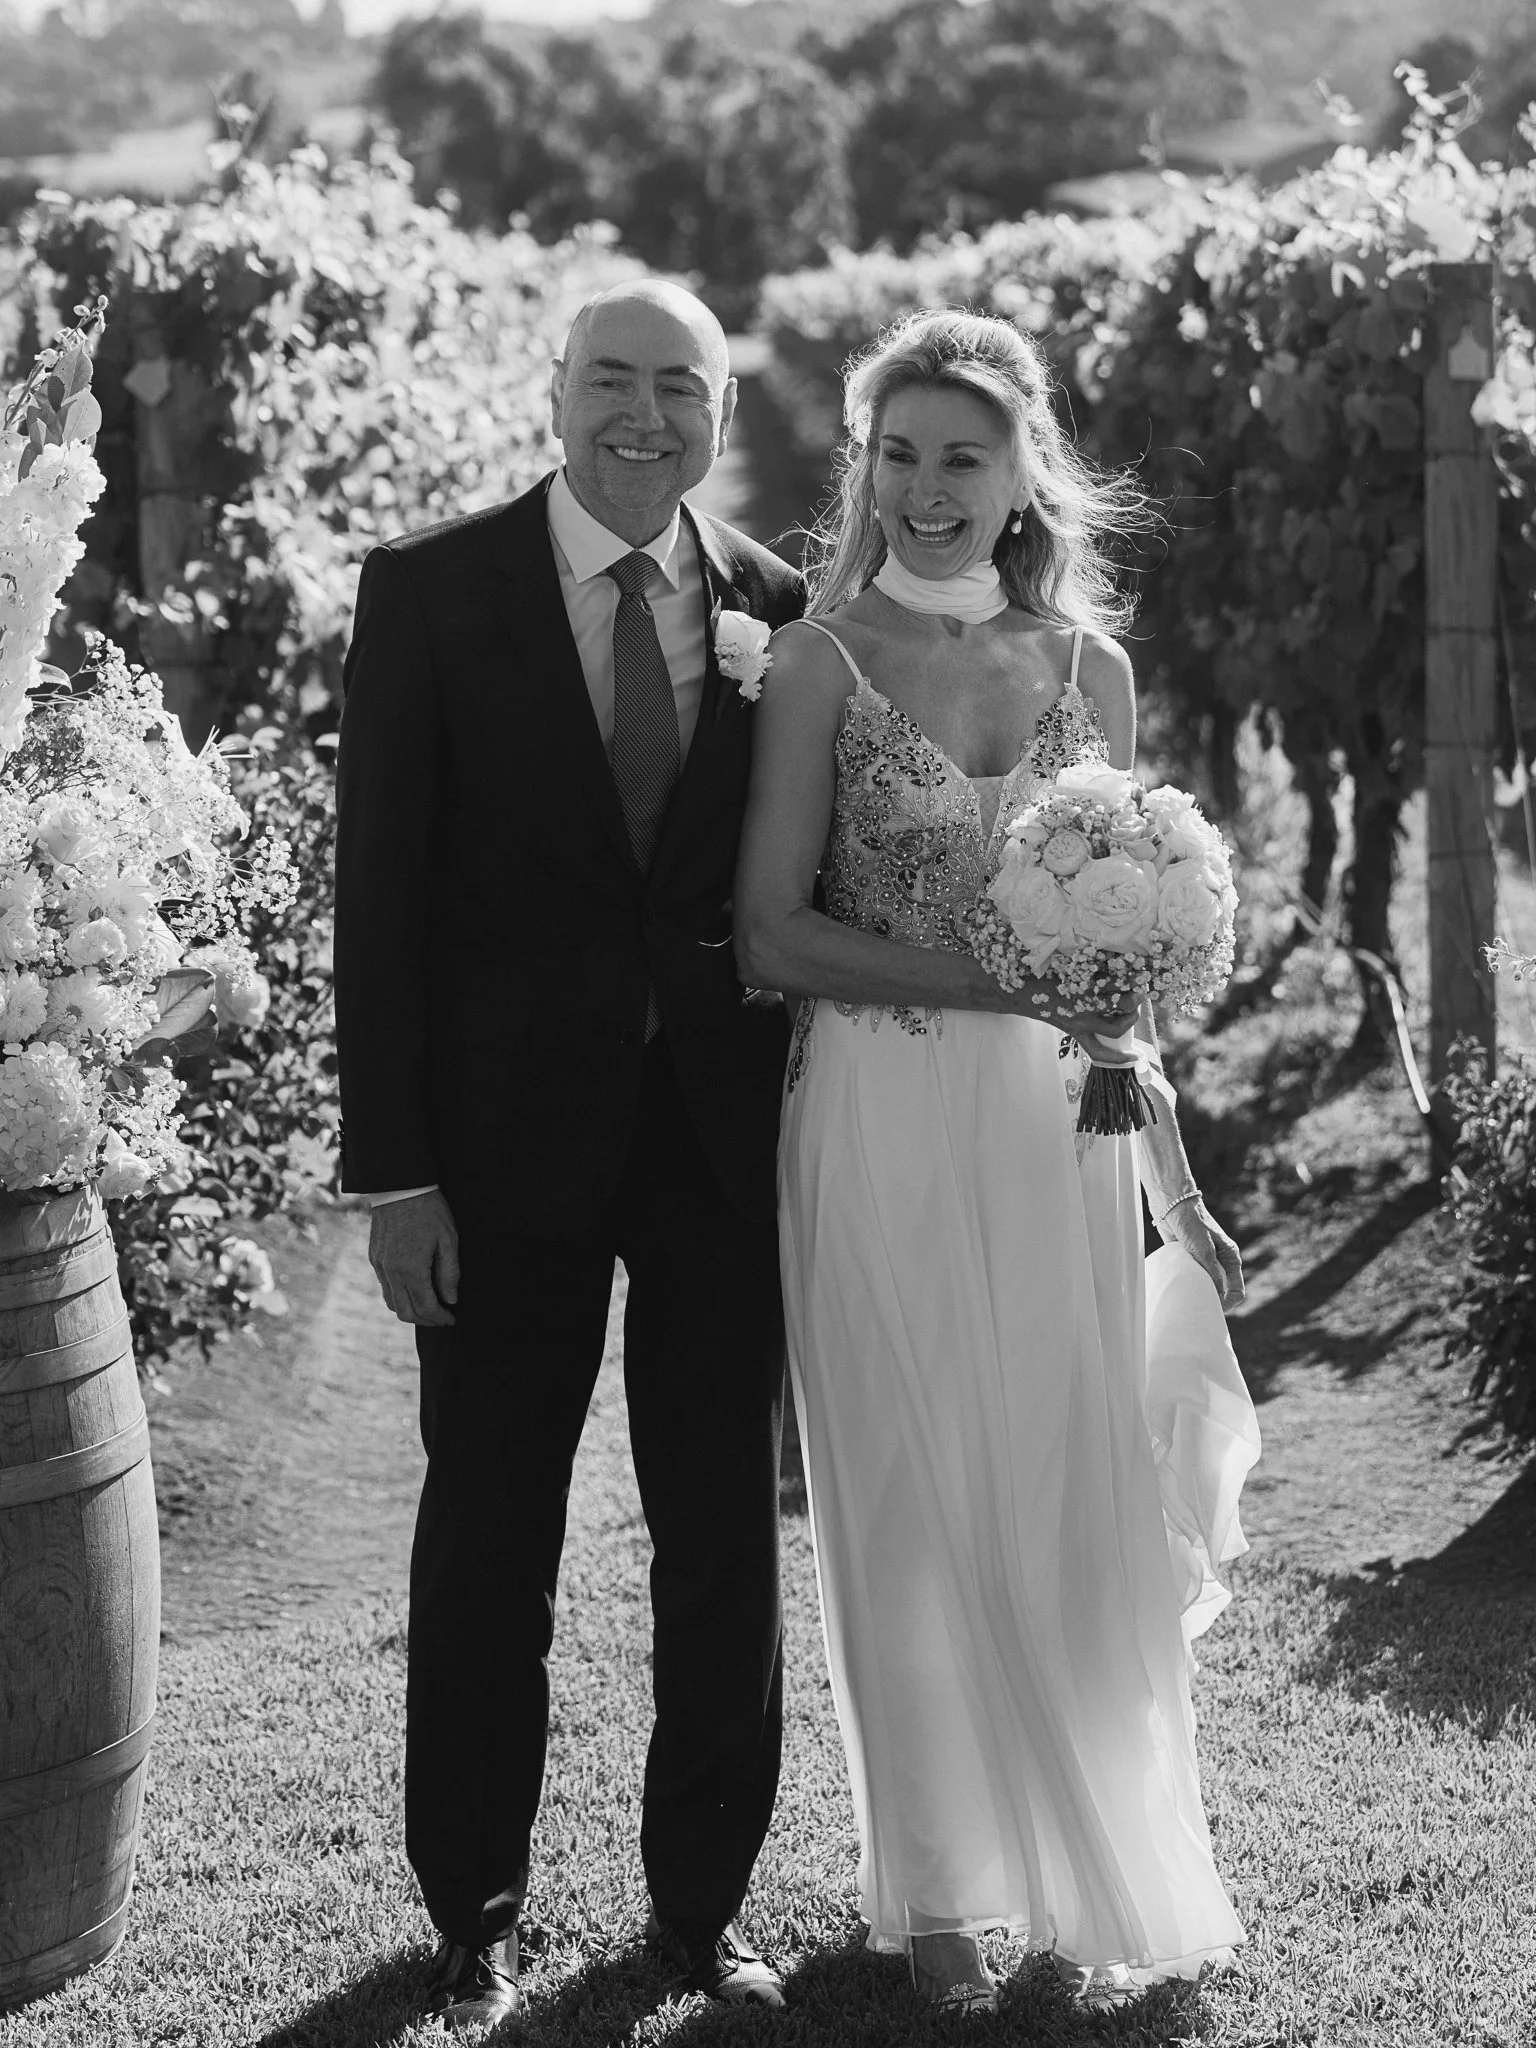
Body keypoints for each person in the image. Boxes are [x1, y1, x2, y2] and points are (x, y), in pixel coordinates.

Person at [735, 309, 1258, 2015]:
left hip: (1058, 1133)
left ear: (1025, 472)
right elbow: (771, 934)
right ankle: (942, 1892)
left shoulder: (1091, 671)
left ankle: (1085, 1873)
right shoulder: (816, 663)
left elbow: (1123, 960)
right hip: (874, 1111)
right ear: (866, 472)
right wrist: (998, 981)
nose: (926, 486)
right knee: (900, 1490)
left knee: (1060, 1483)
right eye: (897, 454)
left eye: (962, 455)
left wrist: (1173, 1171)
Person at [335, 279, 806, 2034]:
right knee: (487, 1542)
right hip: (494, 1164)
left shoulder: (778, 607)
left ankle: (701, 1914)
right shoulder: (429, 589)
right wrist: (396, 1177)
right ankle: (472, 1917)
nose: (643, 415)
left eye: (679, 387)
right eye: (612, 377)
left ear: (721, 415)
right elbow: (377, 899)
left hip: (715, 1154)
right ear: (554, 391)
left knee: (722, 1542)